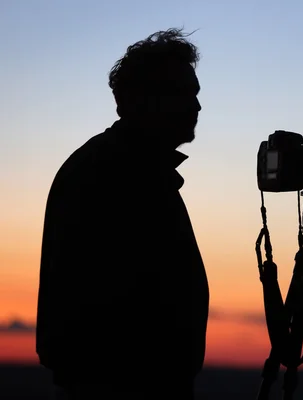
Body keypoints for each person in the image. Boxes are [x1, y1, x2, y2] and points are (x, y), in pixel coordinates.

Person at [35, 28, 209, 400]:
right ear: (135, 100)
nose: (195, 107)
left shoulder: (138, 169)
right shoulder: (112, 173)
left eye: (195, 95)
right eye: (181, 94)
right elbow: (109, 301)